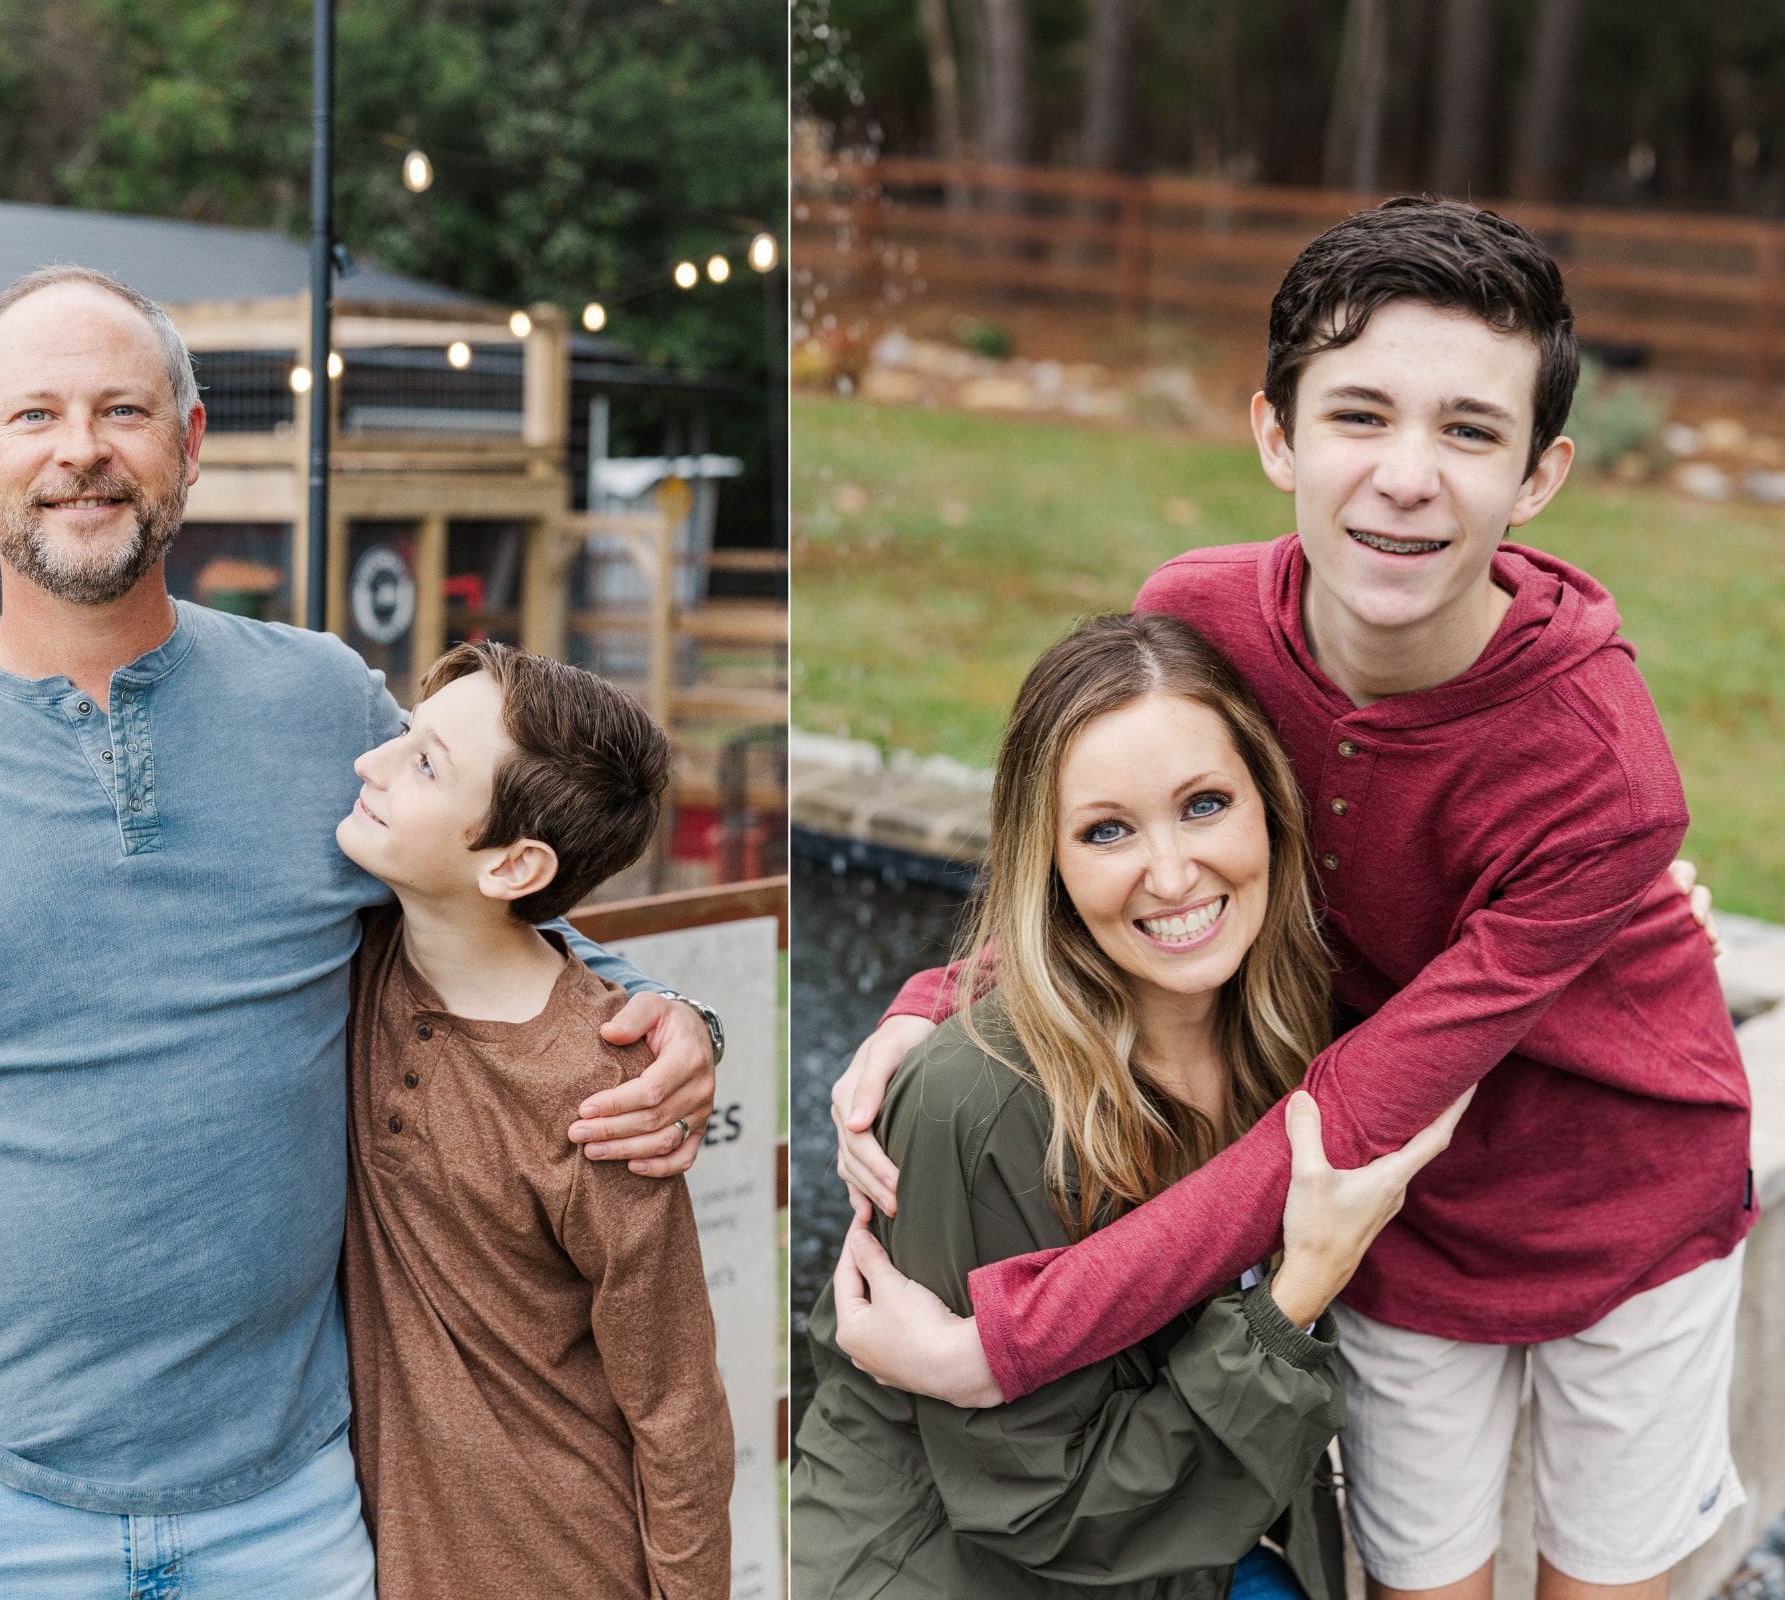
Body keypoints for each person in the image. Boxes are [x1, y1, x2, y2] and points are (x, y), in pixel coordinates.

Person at [824, 198, 1753, 1600]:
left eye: (1469, 431)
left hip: (1618, 1201)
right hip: (1393, 1218)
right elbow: (1113, 850)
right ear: (1276, 435)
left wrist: (1005, 1341)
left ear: (1539, 475)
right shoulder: (1195, 623)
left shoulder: (1603, 773)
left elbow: (1345, 1111)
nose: (1405, 477)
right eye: (1359, 415)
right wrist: (937, 995)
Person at [0, 264, 718, 1598]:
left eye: (122, 410)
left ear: (191, 441)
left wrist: (664, 1014)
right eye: (35, 414)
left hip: (289, 1508)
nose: (81, 450)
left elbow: (488, 884)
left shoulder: (321, 706)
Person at [793, 613, 1468, 1600]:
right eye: (1106, 830)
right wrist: (1293, 1297)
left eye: (1204, 805)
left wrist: (1644, 935)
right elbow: (1042, 1508)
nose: (1172, 873)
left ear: (1272, 808)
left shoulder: (1290, 1024)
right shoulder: (973, 1104)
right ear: (1048, 859)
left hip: (1184, 1547)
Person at [338, 639, 733, 1600]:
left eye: (425, 764)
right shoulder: (354, 957)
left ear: (515, 864)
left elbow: (676, 1404)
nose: (369, 762)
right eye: (405, 736)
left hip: (568, 1562)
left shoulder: (605, 1098)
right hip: (383, 1556)